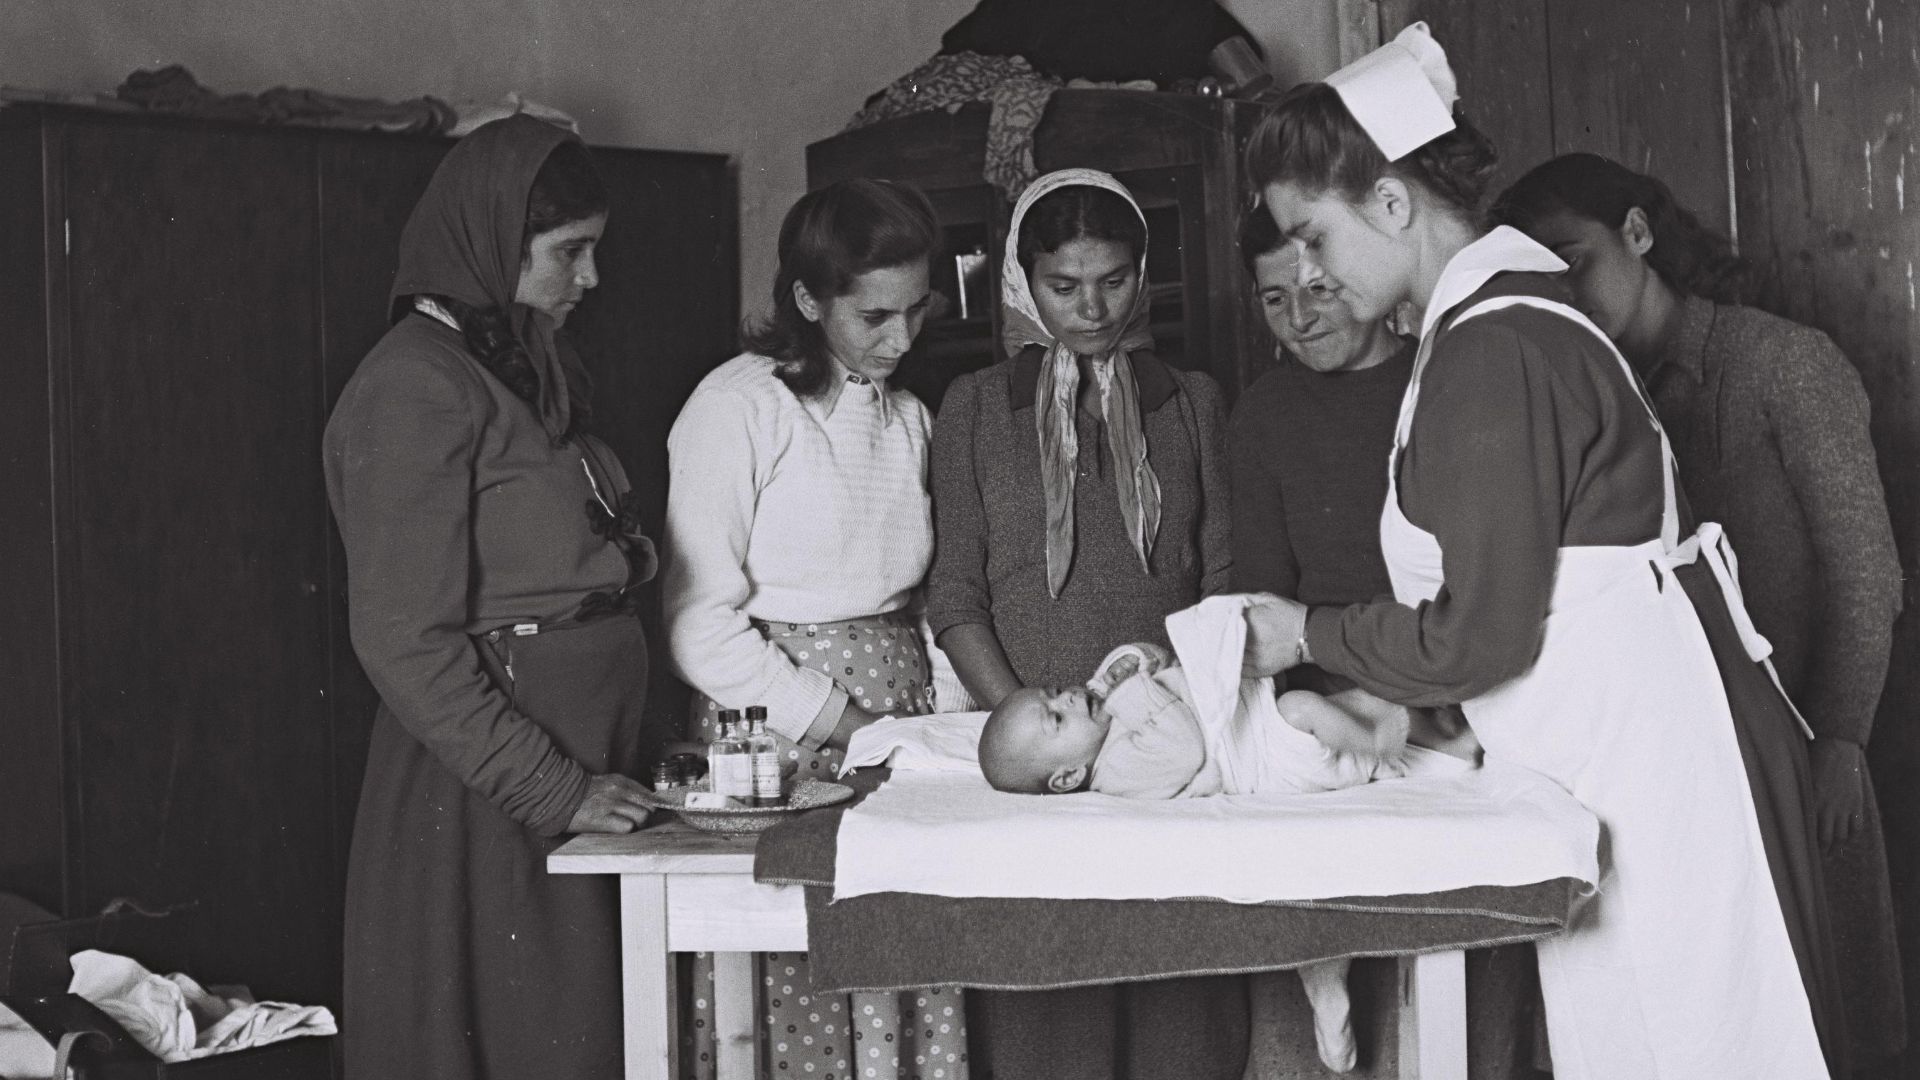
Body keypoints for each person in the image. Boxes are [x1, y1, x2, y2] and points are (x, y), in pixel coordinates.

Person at [1238, 23, 1843, 1080]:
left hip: (1659, 773)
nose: (1309, 272)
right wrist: (1398, 702)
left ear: (1391, 204)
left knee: (1694, 1040)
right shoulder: (1494, 321)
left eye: (1315, 238)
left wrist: (1306, 632)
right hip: (1620, 751)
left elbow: (1480, 633)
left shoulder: (1496, 347)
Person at [1492, 152, 1908, 1070]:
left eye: (1577, 261)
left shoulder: (1782, 365)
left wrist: (1840, 739)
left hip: (1803, 756)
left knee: (1835, 1025)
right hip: (1673, 783)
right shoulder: (1584, 403)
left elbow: (1864, 572)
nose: (1565, 295)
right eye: (1540, 281)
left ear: (1638, 234)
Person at [324, 115, 660, 1079]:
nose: (589, 279)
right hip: (493, 784)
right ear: (489, 243)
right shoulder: (413, 388)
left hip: (581, 755)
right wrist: (553, 787)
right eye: (570, 253)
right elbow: (403, 639)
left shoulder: (512, 363)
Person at [925, 168, 1241, 1080]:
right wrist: (1027, 726)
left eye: (1113, 280)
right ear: (1021, 280)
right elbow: (955, 593)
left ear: (1144, 275)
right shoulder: (978, 408)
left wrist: (1184, 721)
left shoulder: (1192, 402)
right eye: (1064, 286)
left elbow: (1221, 578)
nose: (1092, 308)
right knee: (1048, 1017)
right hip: (1041, 760)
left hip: (1175, 750)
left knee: (1184, 1003)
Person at [660, 178, 967, 1080]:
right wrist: (845, 725)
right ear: (806, 300)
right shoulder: (740, 405)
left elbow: (924, 604)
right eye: (874, 315)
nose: (901, 339)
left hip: (894, 730)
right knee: (792, 986)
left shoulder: (910, 416)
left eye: (917, 311)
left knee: (900, 957)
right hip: (778, 741)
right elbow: (698, 626)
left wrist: (932, 733)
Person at [977, 642, 1411, 800]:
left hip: (1253, 707)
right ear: (1068, 777)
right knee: (1304, 709)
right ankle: (1378, 748)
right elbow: (1183, 746)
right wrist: (1126, 689)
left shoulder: (1103, 707)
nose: (1069, 699)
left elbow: (1160, 663)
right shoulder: (1117, 772)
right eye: (1056, 719)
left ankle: (1421, 726)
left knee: (1361, 694)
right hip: (1263, 757)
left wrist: (1131, 661)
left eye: (1054, 692)